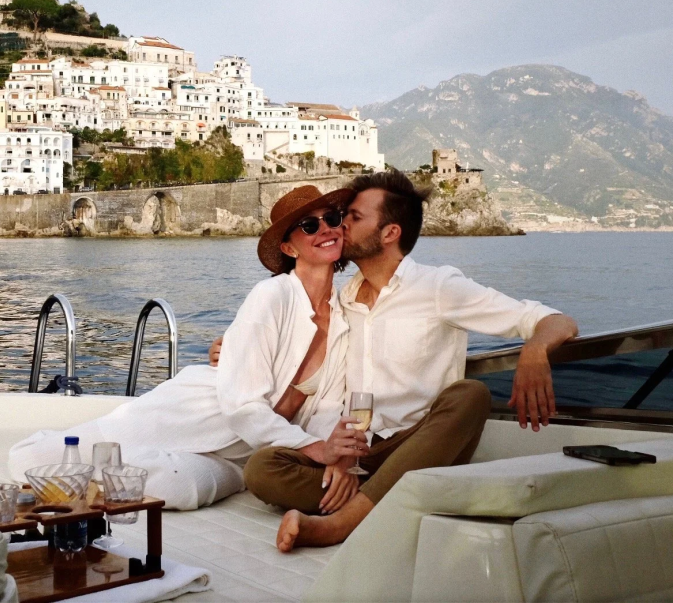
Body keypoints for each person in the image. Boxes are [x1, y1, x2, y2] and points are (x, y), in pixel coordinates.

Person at [210, 170, 578, 550]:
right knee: (262, 469)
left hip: (418, 446)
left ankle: (340, 524)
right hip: (364, 451)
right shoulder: (344, 300)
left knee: (471, 395)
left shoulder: (438, 287)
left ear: (389, 233)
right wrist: (340, 458)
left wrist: (534, 351)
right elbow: (323, 376)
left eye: (351, 218)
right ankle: (391, 499)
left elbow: (554, 320)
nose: (339, 227)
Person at [9, 185, 365, 510]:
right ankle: (100, 459)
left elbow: (329, 407)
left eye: (331, 219)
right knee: (28, 459)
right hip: (195, 411)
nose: (325, 230)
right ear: (289, 247)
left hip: (244, 452)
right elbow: (241, 405)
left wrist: (335, 455)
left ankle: (105, 475)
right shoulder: (272, 296)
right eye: (309, 226)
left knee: (179, 489)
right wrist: (311, 448)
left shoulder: (343, 317)